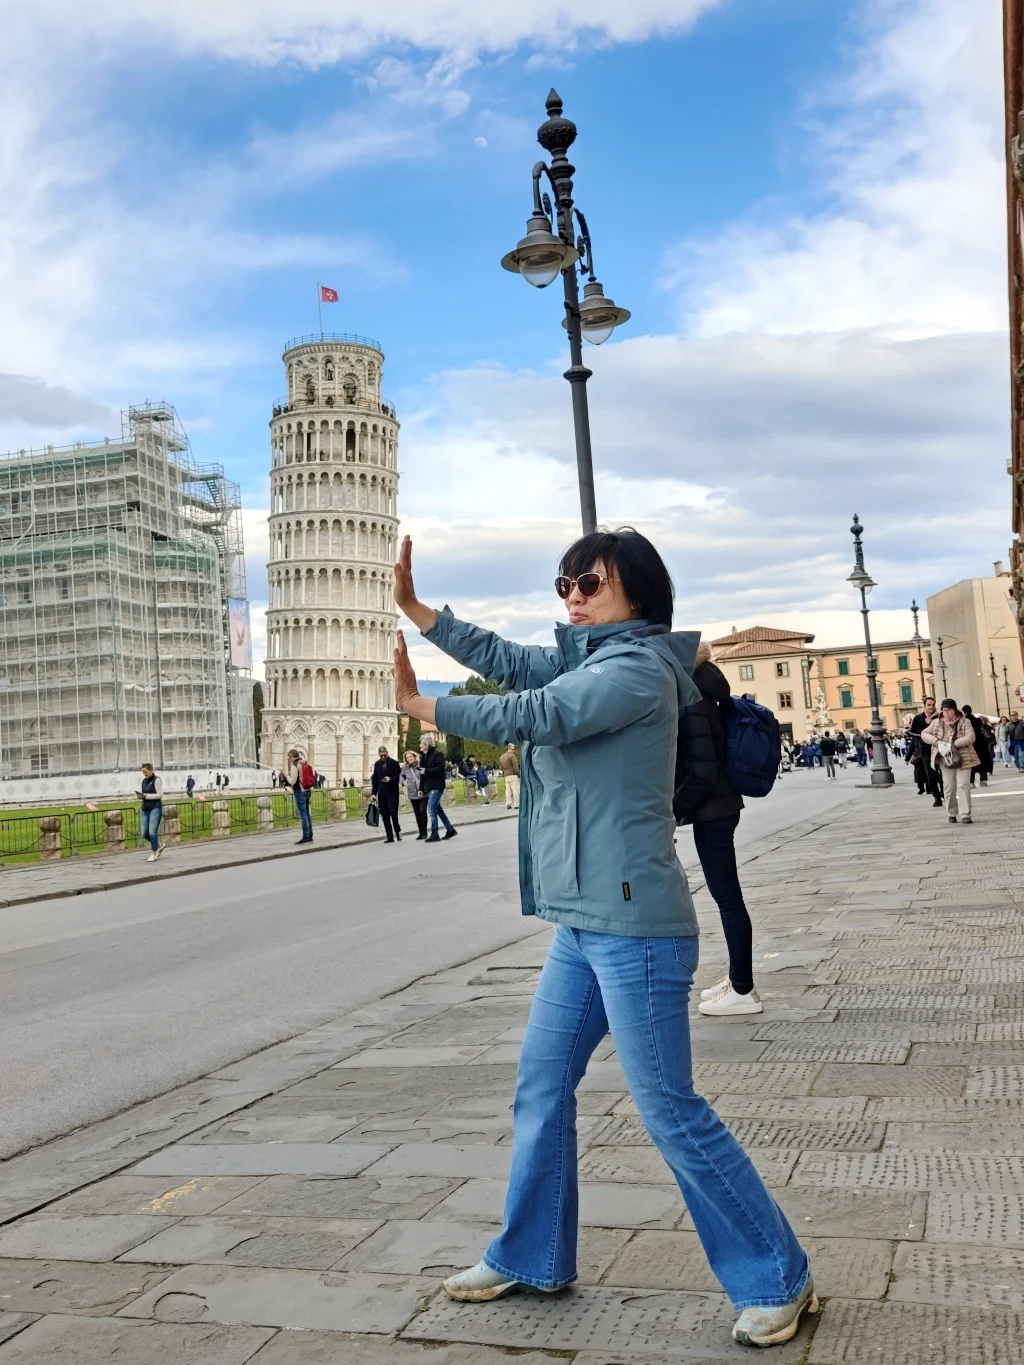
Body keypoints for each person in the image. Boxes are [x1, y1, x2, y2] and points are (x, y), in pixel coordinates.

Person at [391, 529, 815, 1347]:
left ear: (639, 596)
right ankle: (532, 1254)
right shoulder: (589, 660)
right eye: (565, 584)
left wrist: (423, 708)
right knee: (541, 1082)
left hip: (638, 929)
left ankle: (779, 1275)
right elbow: (510, 662)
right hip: (584, 924)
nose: (574, 596)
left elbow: (536, 714)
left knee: (669, 1110)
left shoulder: (636, 670)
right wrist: (419, 611)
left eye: (591, 583)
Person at [673, 641, 762, 1018]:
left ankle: (743, 989)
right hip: (718, 806)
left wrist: (672, 810)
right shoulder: (707, 687)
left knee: (728, 898)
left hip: (714, 809)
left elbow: (702, 771)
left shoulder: (693, 697)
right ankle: (739, 980)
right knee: (727, 897)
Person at [921, 698, 978, 824]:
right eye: (943, 710)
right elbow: (924, 734)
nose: (945, 712)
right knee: (949, 787)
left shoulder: (965, 721)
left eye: (948, 710)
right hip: (945, 758)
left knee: (963, 786)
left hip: (964, 757)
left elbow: (971, 737)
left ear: (954, 710)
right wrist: (937, 742)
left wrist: (954, 744)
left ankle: (965, 815)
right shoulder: (937, 722)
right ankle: (952, 813)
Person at [420, 734, 457, 842]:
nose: (420, 745)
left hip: (436, 785)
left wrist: (426, 771)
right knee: (438, 809)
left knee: (431, 809)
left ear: (427, 744)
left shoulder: (437, 754)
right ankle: (450, 829)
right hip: (429, 785)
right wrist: (421, 787)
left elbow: (440, 769)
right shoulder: (424, 756)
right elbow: (422, 772)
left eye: (421, 743)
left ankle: (435, 833)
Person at [909, 698, 943, 807]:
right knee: (930, 774)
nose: (931, 707)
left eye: (933, 704)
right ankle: (937, 797)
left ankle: (944, 792)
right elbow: (910, 732)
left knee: (942, 772)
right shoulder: (918, 718)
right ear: (924, 706)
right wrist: (922, 736)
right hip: (925, 749)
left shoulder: (940, 717)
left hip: (939, 748)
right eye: (929, 705)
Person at [372, 745, 403, 843]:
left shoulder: (394, 763)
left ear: (387, 753)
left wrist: (391, 779)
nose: (383, 757)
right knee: (384, 814)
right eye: (381, 756)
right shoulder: (377, 764)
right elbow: (375, 779)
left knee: (393, 813)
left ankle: (397, 832)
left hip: (392, 791)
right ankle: (389, 836)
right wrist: (373, 793)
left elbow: (399, 776)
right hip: (382, 792)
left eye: (384, 755)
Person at [286, 748, 314, 844]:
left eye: (289, 757)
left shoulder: (295, 765)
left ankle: (306, 837)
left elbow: (293, 781)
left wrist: (287, 776)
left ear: (292, 756)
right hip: (307, 790)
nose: (289, 759)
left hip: (300, 791)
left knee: (303, 815)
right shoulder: (303, 763)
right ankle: (310, 836)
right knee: (307, 814)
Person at [137, 763, 164, 861]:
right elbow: (145, 794)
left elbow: (160, 795)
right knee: (144, 833)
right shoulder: (144, 781)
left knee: (152, 832)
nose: (145, 774)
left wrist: (146, 796)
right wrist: (141, 796)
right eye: (143, 772)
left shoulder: (157, 780)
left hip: (155, 808)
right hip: (146, 808)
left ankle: (154, 853)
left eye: (146, 772)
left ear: (151, 770)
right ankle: (159, 844)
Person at [401, 750, 429, 839]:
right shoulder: (405, 767)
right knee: (417, 813)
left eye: (411, 757)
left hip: (423, 792)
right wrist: (403, 782)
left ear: (414, 756)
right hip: (412, 792)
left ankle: (425, 832)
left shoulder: (420, 764)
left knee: (422, 811)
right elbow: (401, 776)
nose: (409, 759)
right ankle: (421, 832)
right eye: (407, 758)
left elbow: (426, 775)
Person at [962, 707, 993, 787]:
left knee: (971, 763)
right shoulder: (978, 720)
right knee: (982, 761)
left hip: (970, 744)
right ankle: (983, 780)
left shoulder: (965, 721)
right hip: (981, 744)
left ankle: (971, 782)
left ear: (964, 712)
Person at [499, 742, 520, 809]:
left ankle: (508, 803)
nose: (514, 750)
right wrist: (519, 774)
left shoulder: (502, 757)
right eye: (513, 749)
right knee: (515, 790)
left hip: (506, 775)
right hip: (513, 774)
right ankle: (516, 804)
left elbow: (502, 767)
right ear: (510, 748)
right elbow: (516, 767)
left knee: (508, 790)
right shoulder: (512, 756)